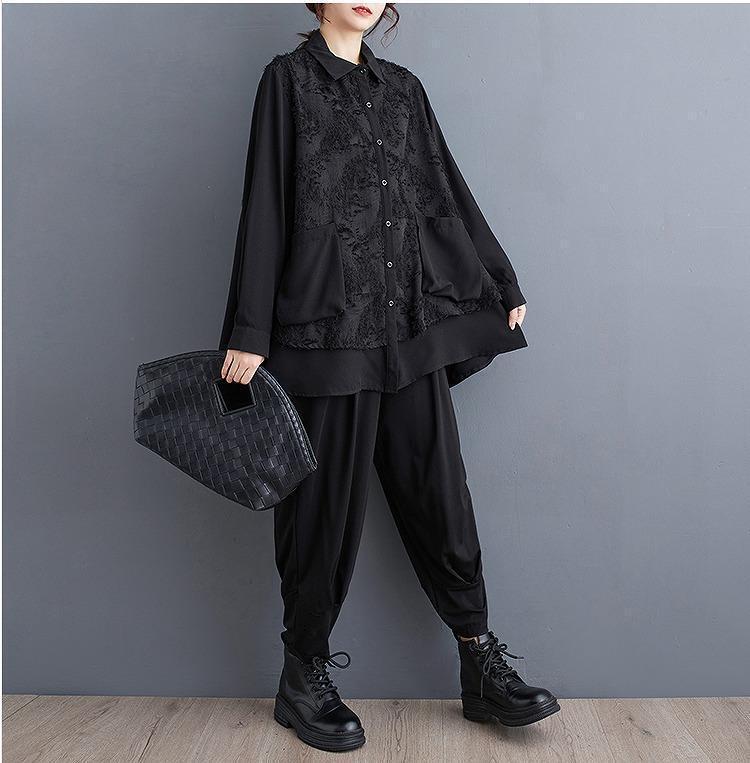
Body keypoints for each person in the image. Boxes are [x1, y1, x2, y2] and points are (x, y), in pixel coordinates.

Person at [219, 3, 558, 752]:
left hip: (408, 328)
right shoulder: (287, 82)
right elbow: (265, 202)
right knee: (321, 513)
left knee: (442, 498)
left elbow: (443, 187)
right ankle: (301, 676)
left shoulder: (404, 89)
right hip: (325, 330)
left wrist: (498, 278)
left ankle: (478, 663)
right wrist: (248, 330)